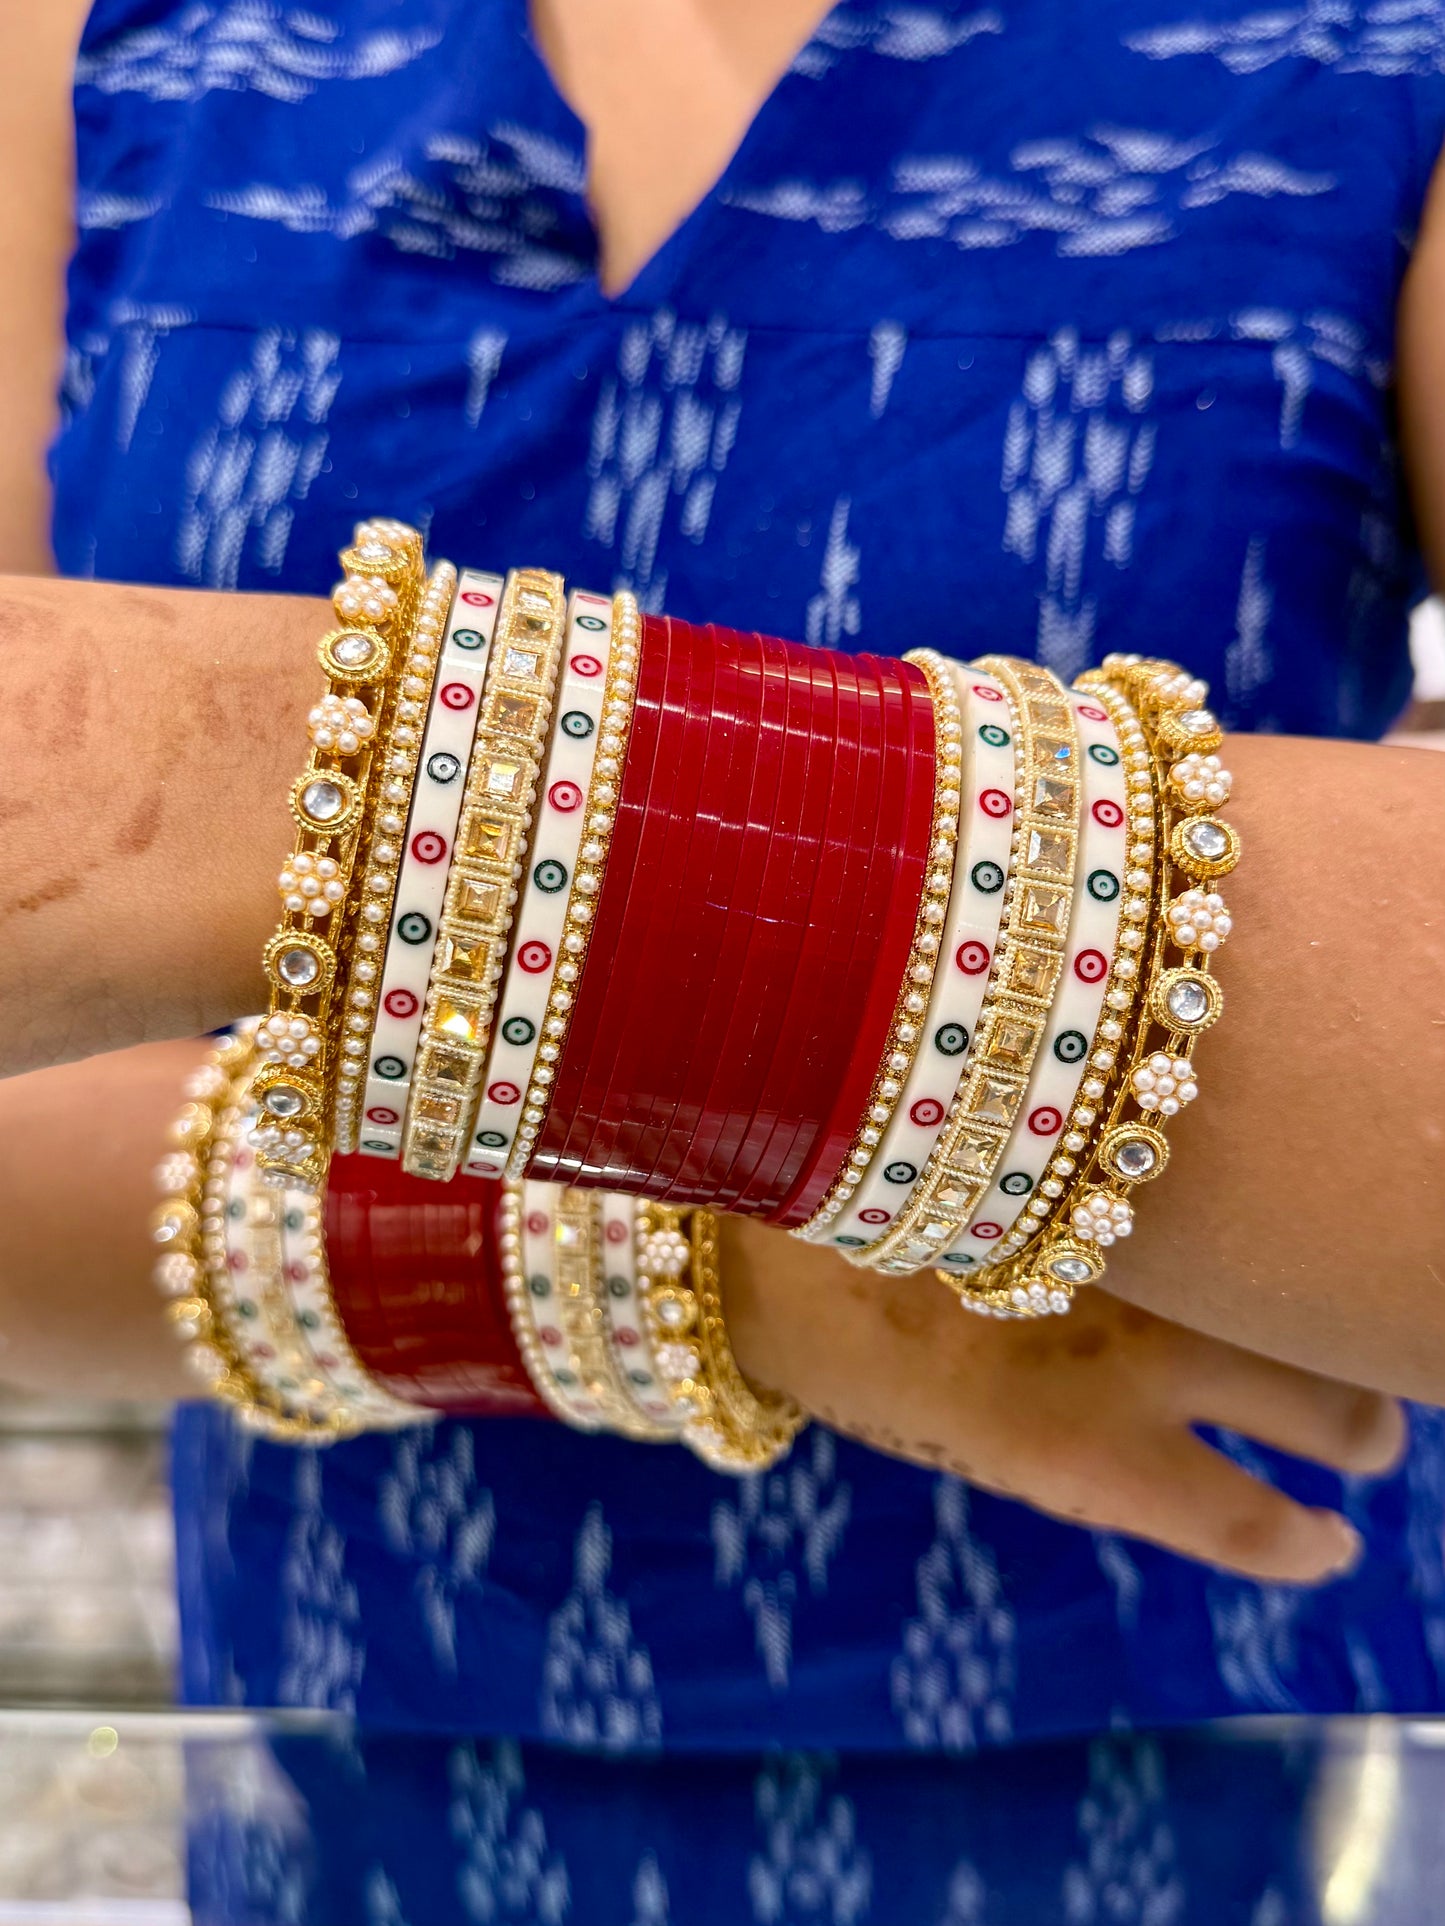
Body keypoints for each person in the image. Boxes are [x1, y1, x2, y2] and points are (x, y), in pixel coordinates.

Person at [1, 0, 1444, 1909]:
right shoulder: (91, 40)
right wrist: (704, 1258)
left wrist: (264, 775)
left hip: (1213, 1763)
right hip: (358, 1762)